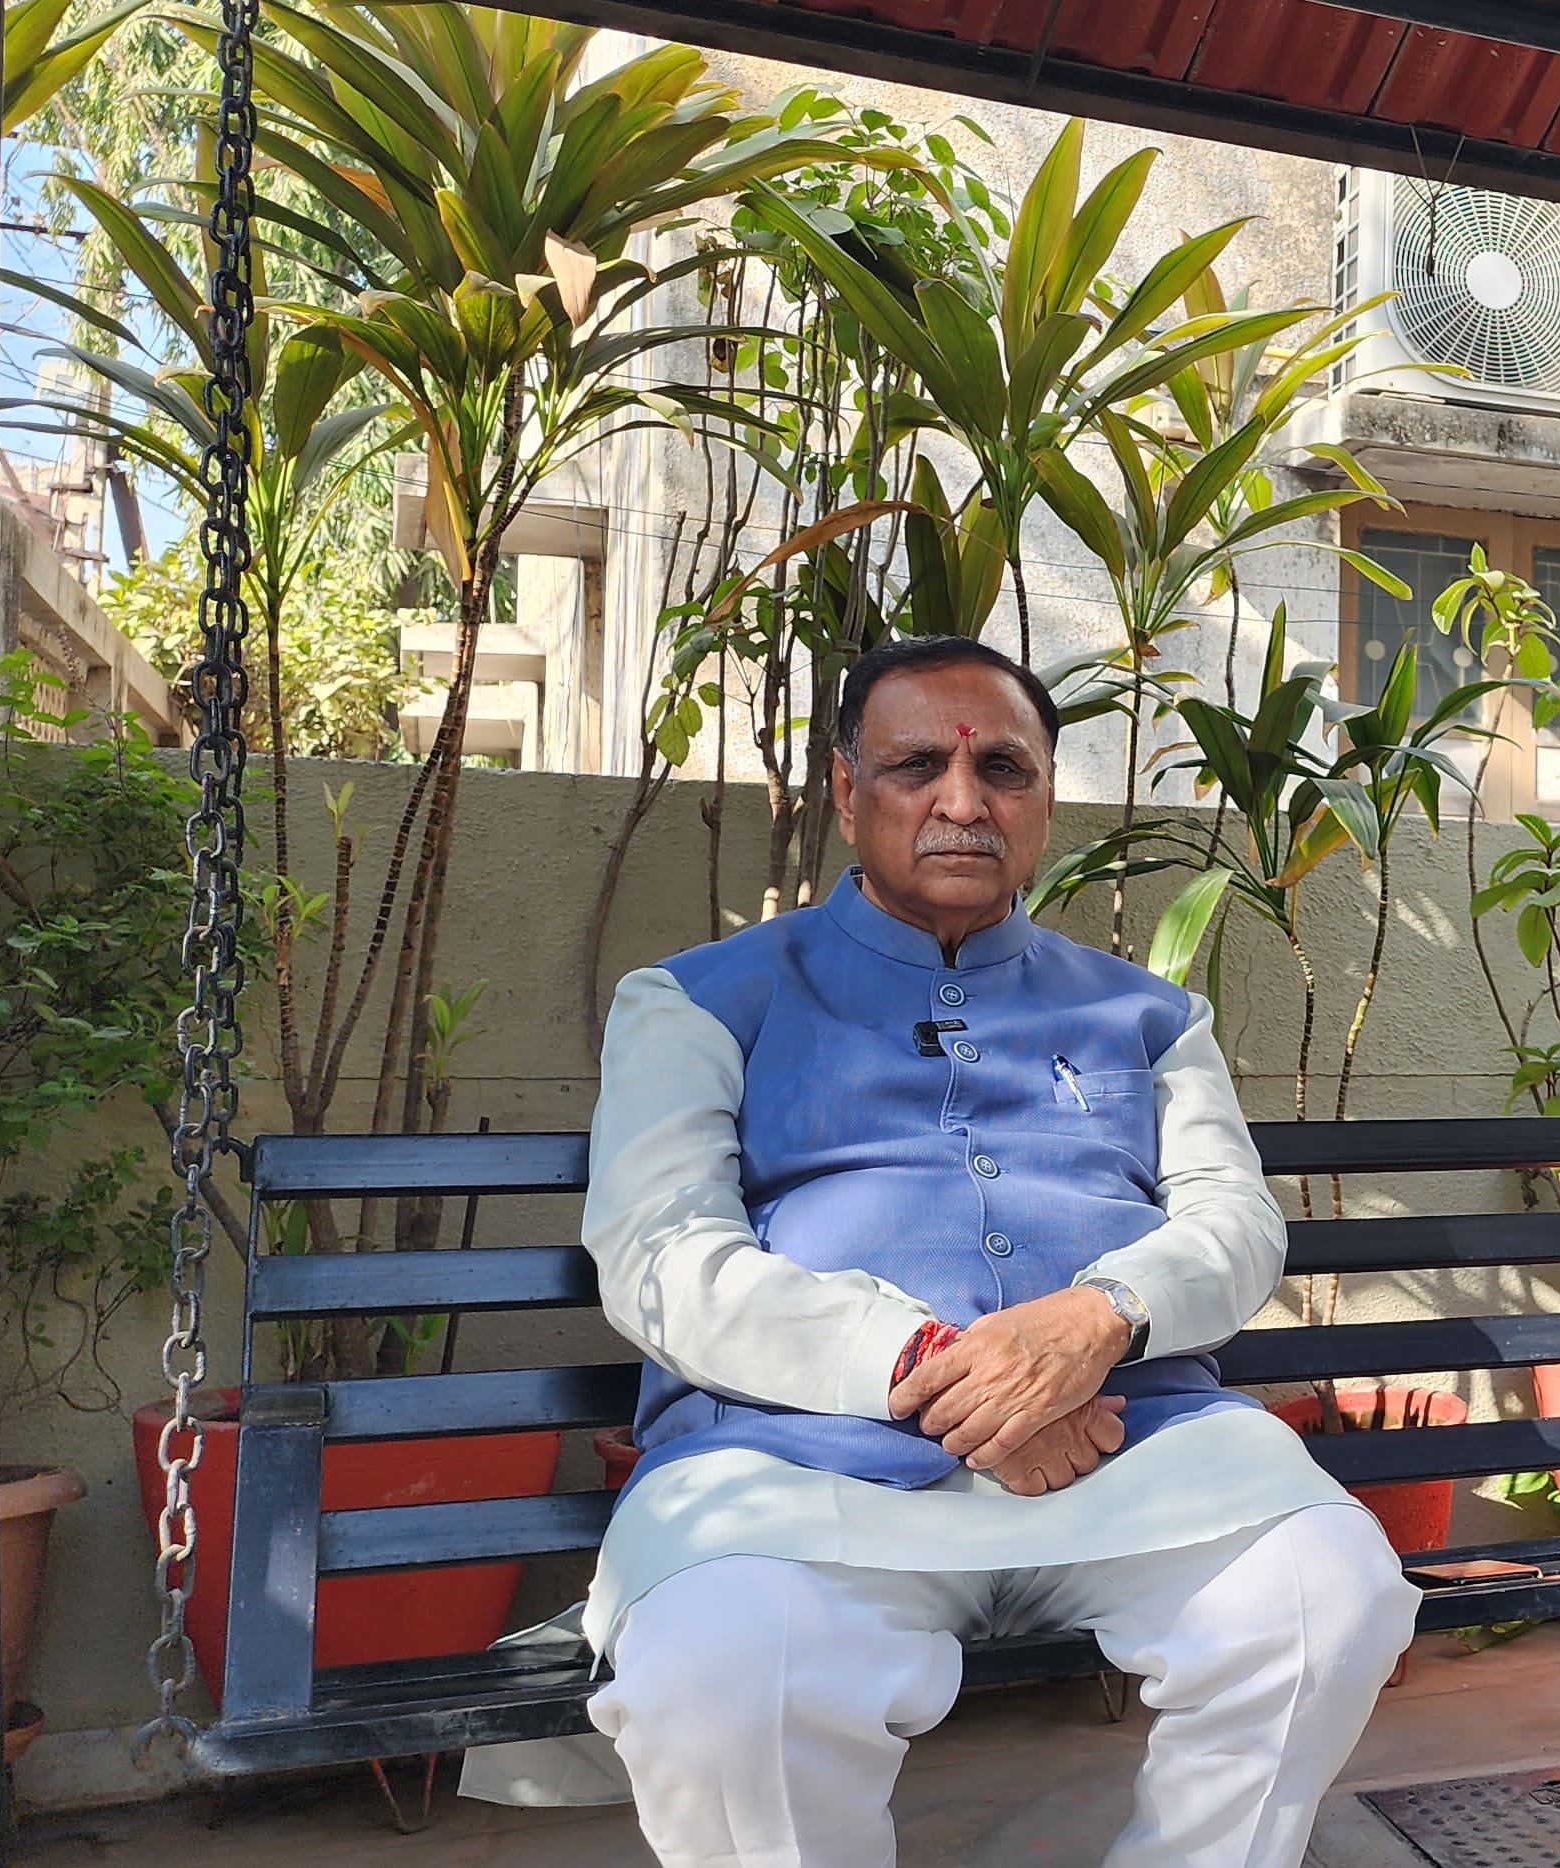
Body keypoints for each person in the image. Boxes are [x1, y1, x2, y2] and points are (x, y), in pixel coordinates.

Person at [573, 636, 1415, 1868]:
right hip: (801, 1462)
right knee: (722, 1670)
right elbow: (661, 1256)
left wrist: (1097, 1319)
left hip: (1125, 1438)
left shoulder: (1150, 1014)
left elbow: (1236, 1226)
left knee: (1322, 1596)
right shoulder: (698, 999)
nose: (963, 801)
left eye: (1003, 770)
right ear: (846, 788)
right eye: (917, 764)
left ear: (1045, 799)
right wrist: (940, 1368)